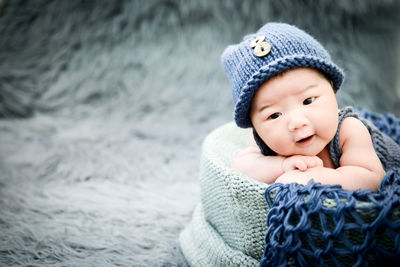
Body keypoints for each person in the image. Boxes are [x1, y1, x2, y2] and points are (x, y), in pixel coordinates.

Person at [221, 22, 400, 191]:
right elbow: (242, 165)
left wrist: (316, 178)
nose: (297, 122)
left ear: (331, 86)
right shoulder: (266, 139)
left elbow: (373, 179)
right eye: (274, 115)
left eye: (308, 101)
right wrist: (282, 166)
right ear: (255, 125)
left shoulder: (348, 129)